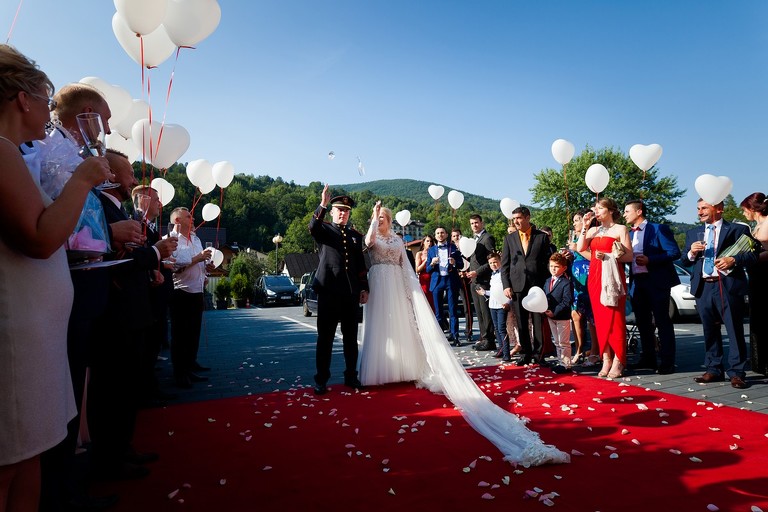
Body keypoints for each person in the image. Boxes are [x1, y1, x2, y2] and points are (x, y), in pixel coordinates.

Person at [358, 202, 569, 467]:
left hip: (395, 286)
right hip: (379, 283)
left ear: (389, 220)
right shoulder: (373, 236)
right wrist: (371, 221)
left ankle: (404, 368)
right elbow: (367, 243)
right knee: (382, 328)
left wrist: (409, 296)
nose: (379, 221)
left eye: (382, 218)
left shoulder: (398, 240)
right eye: (377, 218)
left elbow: (405, 268)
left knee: (401, 326)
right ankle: (382, 368)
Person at [0, 44, 112, 512]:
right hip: (16, 331)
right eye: (44, 96)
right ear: (23, 98)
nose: (48, 108)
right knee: (11, 461)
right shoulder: (1, 151)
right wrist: (84, 179)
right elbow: (41, 237)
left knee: (29, 458)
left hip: (35, 331)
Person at [88, 149, 176, 480]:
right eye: (127, 173)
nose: (132, 180)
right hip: (117, 314)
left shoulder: (116, 210)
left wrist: (149, 266)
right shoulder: (100, 211)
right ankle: (108, 460)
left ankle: (122, 448)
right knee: (112, 393)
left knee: (125, 390)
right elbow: (111, 260)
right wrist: (155, 253)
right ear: (110, 175)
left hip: (133, 311)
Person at [680, 198, 758, 389]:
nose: (699, 212)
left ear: (719, 208)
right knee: (709, 330)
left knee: (734, 330)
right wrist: (691, 252)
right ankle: (713, 369)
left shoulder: (737, 230)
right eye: (698, 208)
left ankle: (737, 372)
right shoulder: (692, 233)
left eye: (704, 208)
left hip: (727, 285)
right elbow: (684, 260)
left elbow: (753, 253)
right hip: (703, 287)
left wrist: (734, 259)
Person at [308, 185, 369, 395]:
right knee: (325, 338)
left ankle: (351, 376)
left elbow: (360, 265)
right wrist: (322, 204)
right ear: (333, 212)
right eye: (339, 210)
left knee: (350, 339)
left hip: (350, 294)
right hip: (328, 292)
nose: (343, 213)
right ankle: (321, 380)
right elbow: (312, 227)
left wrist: (364, 288)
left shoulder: (354, 235)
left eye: (346, 211)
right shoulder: (324, 230)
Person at [577, 199, 633, 379]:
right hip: (595, 278)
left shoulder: (620, 229)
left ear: (610, 210)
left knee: (615, 319)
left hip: (613, 278)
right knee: (599, 320)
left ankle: (619, 359)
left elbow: (629, 256)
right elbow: (580, 248)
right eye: (596, 208)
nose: (596, 210)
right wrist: (585, 226)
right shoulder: (593, 230)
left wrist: (609, 256)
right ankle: (606, 358)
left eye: (600, 208)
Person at [623, 200, 681, 375]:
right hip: (637, 282)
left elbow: (674, 252)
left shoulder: (658, 229)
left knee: (662, 321)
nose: (624, 214)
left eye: (627, 211)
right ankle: (648, 357)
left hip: (656, 281)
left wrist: (650, 260)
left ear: (639, 211)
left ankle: (667, 361)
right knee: (642, 322)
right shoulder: (628, 234)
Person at [168, 206, 213, 389]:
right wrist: (198, 258)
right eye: (188, 216)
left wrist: (205, 271)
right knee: (180, 336)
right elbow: (177, 267)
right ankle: (180, 374)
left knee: (193, 334)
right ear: (178, 220)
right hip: (181, 293)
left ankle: (189, 367)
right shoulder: (171, 240)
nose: (193, 219)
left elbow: (199, 262)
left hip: (196, 292)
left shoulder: (195, 238)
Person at [500, 206, 552, 366]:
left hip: (537, 286)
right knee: (521, 321)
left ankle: (539, 353)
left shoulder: (542, 238)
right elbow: (505, 265)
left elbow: (547, 263)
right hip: (517, 285)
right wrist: (506, 285)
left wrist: (546, 285)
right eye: (514, 218)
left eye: (519, 218)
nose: (516, 221)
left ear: (528, 217)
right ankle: (526, 353)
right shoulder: (509, 239)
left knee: (537, 321)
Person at [740, 192, 768, 375]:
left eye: (744, 210)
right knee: (757, 318)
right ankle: (759, 360)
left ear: (752, 208)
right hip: (755, 276)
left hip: (765, 276)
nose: (744, 214)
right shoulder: (755, 226)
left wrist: (750, 259)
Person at [567, 209, 597, 365]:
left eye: (576, 220)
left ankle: (594, 351)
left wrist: (577, 249)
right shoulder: (577, 237)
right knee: (576, 315)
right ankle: (578, 349)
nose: (574, 223)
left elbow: (594, 257)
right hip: (576, 278)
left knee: (592, 318)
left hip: (589, 275)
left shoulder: (592, 235)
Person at [426, 226, 463, 345]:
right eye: (437, 233)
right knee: (438, 311)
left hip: (451, 280)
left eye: (442, 233)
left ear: (446, 235)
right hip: (437, 281)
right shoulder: (431, 250)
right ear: (435, 236)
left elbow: (461, 265)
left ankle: (455, 335)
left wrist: (455, 262)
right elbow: (427, 269)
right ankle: (440, 337)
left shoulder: (453, 247)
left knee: (453, 310)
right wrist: (432, 263)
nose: (440, 235)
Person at [466, 214, 497, 352]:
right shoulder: (473, 239)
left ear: (482, 223)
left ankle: (490, 340)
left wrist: (477, 272)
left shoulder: (488, 238)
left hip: (483, 280)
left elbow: (491, 261)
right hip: (473, 280)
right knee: (478, 312)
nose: (474, 225)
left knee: (485, 312)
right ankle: (483, 338)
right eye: (472, 223)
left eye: (476, 223)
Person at [475, 252, 512, 361]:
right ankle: (501, 349)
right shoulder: (493, 274)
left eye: (495, 262)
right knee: (496, 328)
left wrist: (508, 303)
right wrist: (485, 292)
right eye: (491, 263)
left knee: (501, 328)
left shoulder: (504, 274)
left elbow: (508, 290)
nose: (493, 265)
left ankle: (506, 352)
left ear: (500, 261)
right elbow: (494, 291)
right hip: (493, 304)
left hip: (502, 304)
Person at [543, 253, 574, 373]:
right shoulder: (547, 281)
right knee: (556, 341)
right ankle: (560, 361)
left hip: (561, 316)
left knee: (564, 341)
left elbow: (567, 301)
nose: (553, 269)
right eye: (551, 266)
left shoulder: (566, 282)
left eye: (556, 266)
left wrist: (554, 312)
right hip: (550, 315)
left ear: (564, 268)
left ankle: (566, 364)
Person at [451, 228, 474, 342]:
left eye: (458, 235)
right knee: (452, 306)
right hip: (453, 279)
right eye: (454, 236)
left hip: (465, 278)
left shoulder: (466, 247)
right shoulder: (451, 249)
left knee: (467, 306)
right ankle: (453, 331)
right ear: (451, 237)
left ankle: (468, 330)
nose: (456, 237)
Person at [414, 234, 436, 311]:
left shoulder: (435, 252)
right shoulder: (419, 254)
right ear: (423, 242)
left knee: (434, 301)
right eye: (427, 241)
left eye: (431, 241)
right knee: (426, 299)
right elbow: (417, 269)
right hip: (424, 280)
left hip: (434, 278)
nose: (429, 243)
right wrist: (426, 260)